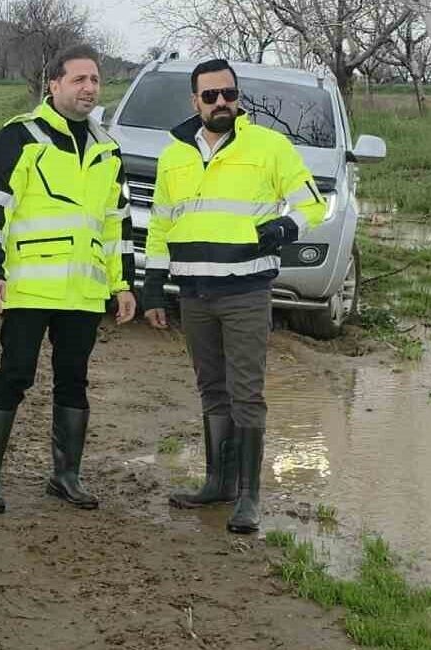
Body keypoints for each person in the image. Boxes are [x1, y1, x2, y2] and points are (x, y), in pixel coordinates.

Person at [143, 59, 326, 533]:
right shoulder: (173, 155)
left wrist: (287, 225)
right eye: (210, 96)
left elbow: (314, 202)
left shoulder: (269, 146)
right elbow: (162, 224)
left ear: (237, 97)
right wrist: (152, 289)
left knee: (246, 393)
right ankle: (216, 483)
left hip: (245, 290)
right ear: (195, 101)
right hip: (194, 293)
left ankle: (248, 496)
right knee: (212, 389)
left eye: (228, 94)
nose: (221, 102)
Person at [0, 44, 136, 514]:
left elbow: (116, 224)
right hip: (28, 287)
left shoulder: (107, 148)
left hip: (82, 293)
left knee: (74, 381)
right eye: (79, 79)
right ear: (55, 84)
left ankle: (66, 476)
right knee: (14, 376)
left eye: (95, 81)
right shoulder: (20, 137)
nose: (89, 88)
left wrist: (122, 284)